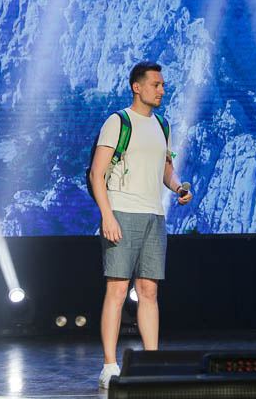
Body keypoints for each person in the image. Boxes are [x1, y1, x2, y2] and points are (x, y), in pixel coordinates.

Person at [89, 61, 192, 389]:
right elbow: (96, 173)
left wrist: (178, 187)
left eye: (162, 85)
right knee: (118, 290)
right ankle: (109, 365)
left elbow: (166, 168)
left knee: (149, 291)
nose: (161, 90)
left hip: (154, 215)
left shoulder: (162, 125)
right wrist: (107, 215)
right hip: (122, 211)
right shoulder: (118, 122)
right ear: (138, 87)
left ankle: (152, 362)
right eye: (155, 85)